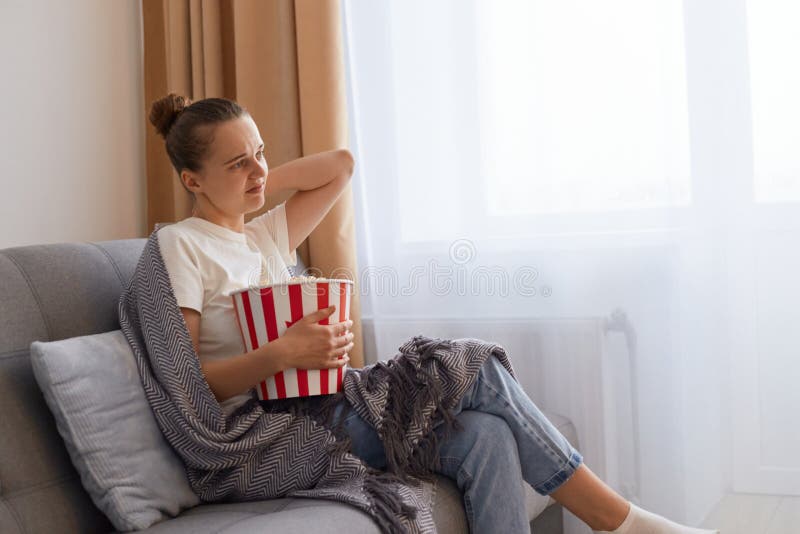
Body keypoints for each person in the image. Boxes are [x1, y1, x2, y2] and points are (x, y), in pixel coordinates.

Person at [148, 92, 719, 534]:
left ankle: (617, 521)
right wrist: (285, 352)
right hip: (274, 431)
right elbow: (192, 383)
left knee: (486, 433)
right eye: (237, 164)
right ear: (192, 180)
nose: (257, 172)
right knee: (474, 368)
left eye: (261, 154)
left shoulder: (266, 237)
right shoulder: (183, 245)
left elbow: (340, 166)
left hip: (327, 400)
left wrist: (258, 178)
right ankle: (618, 520)